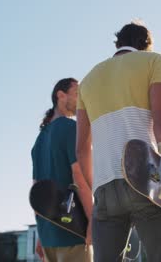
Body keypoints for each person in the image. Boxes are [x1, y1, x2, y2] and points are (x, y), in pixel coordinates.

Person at [76, 22, 161, 262]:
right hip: (146, 180)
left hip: (105, 188)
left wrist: (98, 192)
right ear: (146, 45)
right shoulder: (152, 61)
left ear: (118, 44)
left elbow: (81, 149)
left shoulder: (87, 81)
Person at [31, 78, 93, 262]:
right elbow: (79, 178)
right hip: (74, 232)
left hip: (49, 237)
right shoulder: (71, 128)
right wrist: (92, 220)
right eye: (77, 94)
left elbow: (37, 192)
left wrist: (41, 234)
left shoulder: (39, 141)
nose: (81, 100)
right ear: (60, 95)